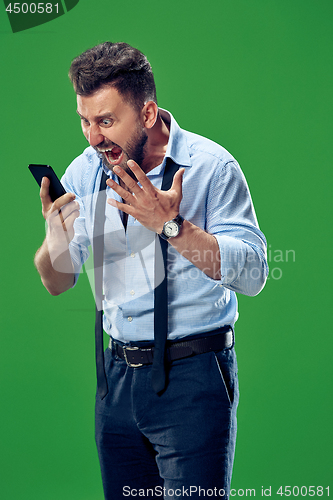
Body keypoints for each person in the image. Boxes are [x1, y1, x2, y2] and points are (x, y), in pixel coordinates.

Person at [34, 42, 268, 500]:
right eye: (84, 120)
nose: (92, 137)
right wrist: (54, 240)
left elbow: (255, 272)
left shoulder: (210, 167)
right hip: (117, 382)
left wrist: (171, 225)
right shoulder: (87, 172)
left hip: (194, 378)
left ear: (147, 113)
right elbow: (58, 281)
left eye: (105, 121)